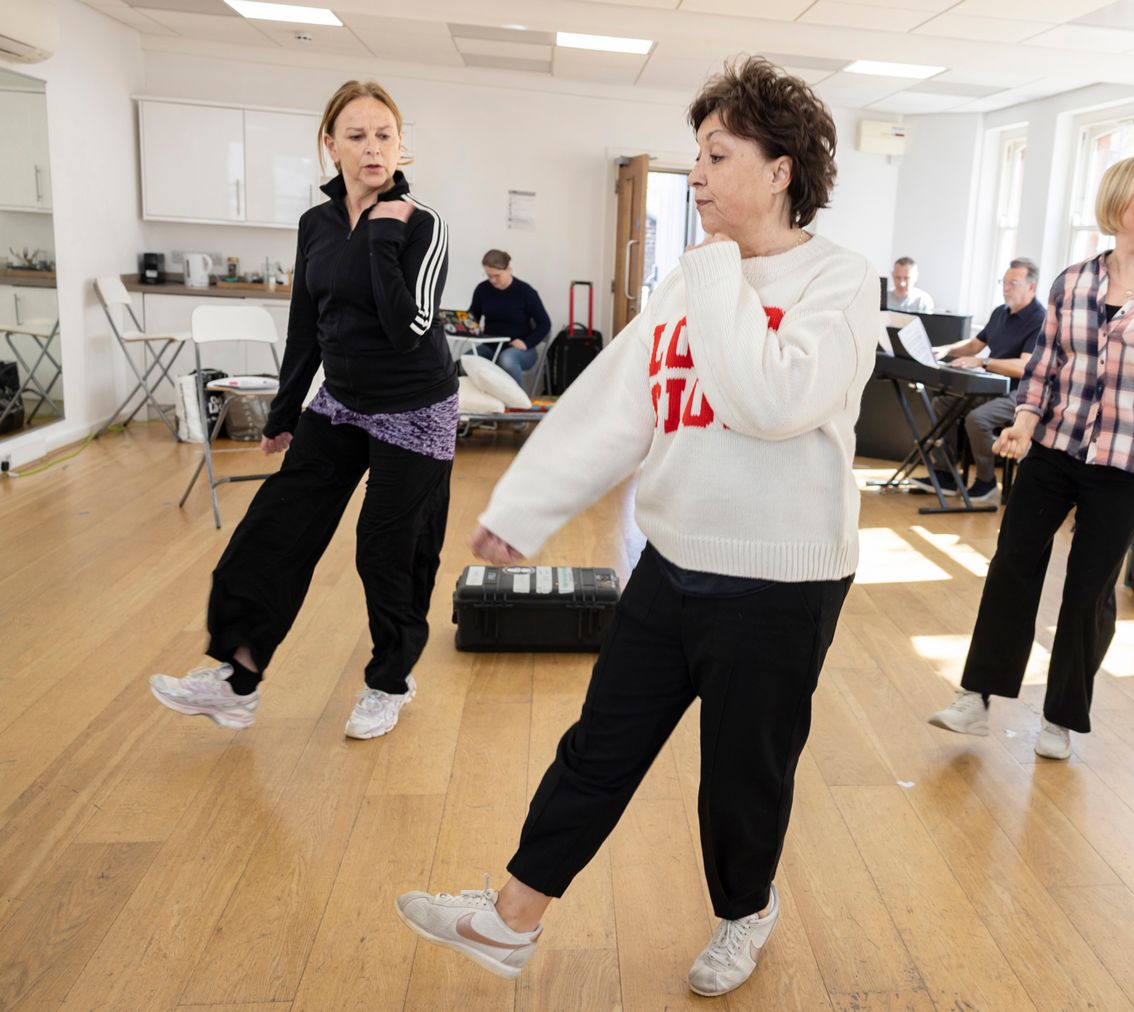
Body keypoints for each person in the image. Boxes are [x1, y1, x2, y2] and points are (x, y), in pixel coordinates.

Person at [394, 56, 879, 997]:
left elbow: (770, 399)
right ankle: (511, 919)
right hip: (674, 558)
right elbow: (617, 403)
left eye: (716, 154)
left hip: (781, 579)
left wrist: (716, 274)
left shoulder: (837, 281)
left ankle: (746, 914)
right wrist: (521, 512)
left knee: (742, 779)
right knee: (601, 744)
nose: (695, 174)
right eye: (695, 155)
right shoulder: (687, 286)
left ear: (781, 170)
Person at [149, 80, 455, 741]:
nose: (372, 147)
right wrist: (285, 411)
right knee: (274, 528)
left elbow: (410, 326)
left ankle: (389, 682)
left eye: (384, 135)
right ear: (330, 146)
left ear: (401, 145)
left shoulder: (421, 223)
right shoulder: (315, 224)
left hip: (415, 406)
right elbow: (304, 325)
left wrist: (379, 234)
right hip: (341, 402)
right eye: (357, 135)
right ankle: (237, 678)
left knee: (386, 550)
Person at [927, 155, 1134, 760]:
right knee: (1013, 564)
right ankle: (976, 697)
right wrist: (1024, 426)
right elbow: (1045, 367)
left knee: (1088, 589)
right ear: (1116, 205)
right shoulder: (1075, 280)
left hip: (1127, 459)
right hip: (1056, 446)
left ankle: (1060, 717)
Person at [927, 258, 1045, 505]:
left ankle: (987, 481)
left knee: (977, 419)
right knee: (942, 404)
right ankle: (946, 475)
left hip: (1020, 394)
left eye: (1013, 283)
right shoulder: (999, 312)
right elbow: (974, 345)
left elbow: (1024, 367)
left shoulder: (1039, 319)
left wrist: (982, 362)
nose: (1006, 288)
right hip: (990, 386)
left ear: (1031, 287)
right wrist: (943, 349)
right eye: (1004, 282)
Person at [466, 250, 551, 388]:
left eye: (497, 275)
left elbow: (545, 324)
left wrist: (526, 342)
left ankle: (517, 405)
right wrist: (471, 327)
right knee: (467, 361)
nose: (493, 280)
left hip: (522, 350)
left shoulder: (526, 292)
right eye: (489, 276)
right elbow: (472, 317)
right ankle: (478, 404)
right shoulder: (482, 289)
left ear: (509, 270)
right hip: (491, 347)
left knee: (506, 360)